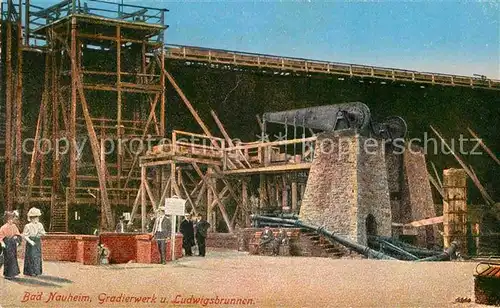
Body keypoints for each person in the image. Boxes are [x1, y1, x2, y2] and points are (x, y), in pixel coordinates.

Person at [23, 207, 46, 276]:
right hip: (31, 242)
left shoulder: (40, 225)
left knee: (37, 256)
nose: (37, 219)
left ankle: (37, 271)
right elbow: (24, 235)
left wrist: (41, 233)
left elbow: (44, 233)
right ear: (32, 218)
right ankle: (30, 272)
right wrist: (30, 241)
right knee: (31, 256)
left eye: (37, 217)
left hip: (37, 241)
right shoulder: (27, 226)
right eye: (35, 217)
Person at [0, 212, 23, 279]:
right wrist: (2, 243)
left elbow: (18, 234)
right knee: (7, 259)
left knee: (13, 258)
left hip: (13, 244)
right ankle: (7, 274)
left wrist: (17, 239)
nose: (11, 221)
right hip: (6, 243)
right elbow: (1, 237)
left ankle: (13, 273)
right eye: (9, 219)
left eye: (12, 219)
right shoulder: (3, 227)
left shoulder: (14, 226)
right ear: (6, 220)